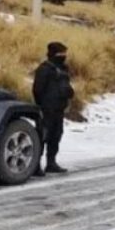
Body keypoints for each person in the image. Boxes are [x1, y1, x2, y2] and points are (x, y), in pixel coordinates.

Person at [31, 41, 75, 176]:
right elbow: (37, 90)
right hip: (47, 109)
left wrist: (69, 93)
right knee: (42, 137)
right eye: (61, 53)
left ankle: (51, 163)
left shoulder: (63, 69)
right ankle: (35, 165)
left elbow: (65, 86)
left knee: (56, 137)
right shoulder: (44, 69)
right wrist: (42, 106)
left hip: (59, 109)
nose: (64, 56)